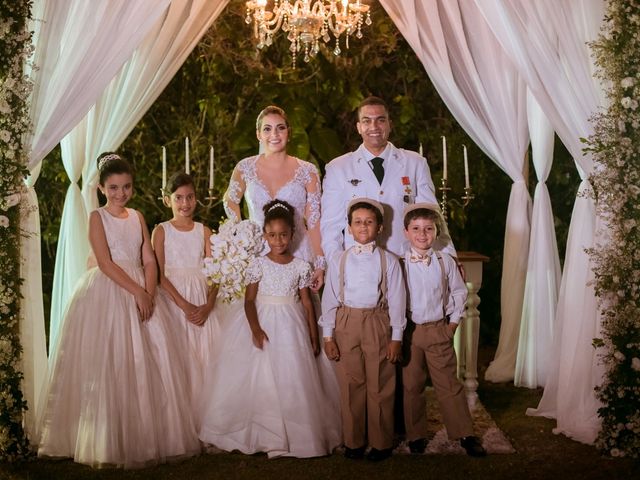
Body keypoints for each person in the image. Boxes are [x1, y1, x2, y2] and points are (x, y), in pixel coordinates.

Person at [37, 153, 199, 468]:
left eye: (126, 187)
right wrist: (137, 290)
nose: (120, 194)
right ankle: (105, 437)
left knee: (148, 361)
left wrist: (150, 292)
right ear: (101, 188)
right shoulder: (97, 217)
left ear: (132, 188)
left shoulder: (137, 216)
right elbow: (106, 262)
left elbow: (149, 259)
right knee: (111, 360)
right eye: (113, 188)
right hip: (111, 288)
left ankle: (151, 434)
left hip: (142, 287)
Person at [198, 200, 341, 458]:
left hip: (292, 325)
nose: (278, 241)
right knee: (260, 376)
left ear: (292, 235)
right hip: (263, 319)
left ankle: (297, 436)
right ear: (265, 235)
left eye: (283, 235)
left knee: (292, 375)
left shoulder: (301, 266)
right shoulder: (258, 265)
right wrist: (255, 329)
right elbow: (249, 300)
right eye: (272, 235)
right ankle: (260, 434)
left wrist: (313, 335)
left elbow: (308, 304)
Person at [320, 198, 406, 462]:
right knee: (351, 383)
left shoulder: (388, 261)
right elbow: (330, 298)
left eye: (369, 222)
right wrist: (328, 334)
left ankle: (381, 442)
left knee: (380, 382)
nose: (363, 226)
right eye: (357, 222)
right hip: (347, 322)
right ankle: (354, 441)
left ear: (380, 228)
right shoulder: (339, 259)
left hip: (377, 320)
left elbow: (398, 300)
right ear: (349, 227)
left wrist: (396, 338)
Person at [321, 96, 455, 258]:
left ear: (390, 124)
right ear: (358, 127)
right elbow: (331, 227)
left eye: (380, 120)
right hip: (358, 265)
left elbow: (432, 216)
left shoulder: (415, 163)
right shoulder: (338, 168)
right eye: (366, 121)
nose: (374, 126)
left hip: (405, 261)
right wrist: (337, 266)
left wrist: (449, 257)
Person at [401, 203, 486, 457]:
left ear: (437, 232)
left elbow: (459, 293)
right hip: (410, 332)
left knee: (449, 384)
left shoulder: (445, 261)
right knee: (412, 385)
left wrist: (452, 325)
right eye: (416, 228)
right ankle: (416, 436)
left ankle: (465, 434)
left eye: (428, 228)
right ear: (406, 232)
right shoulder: (399, 262)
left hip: (439, 329)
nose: (422, 234)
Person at [223, 105, 326, 290]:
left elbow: (314, 220)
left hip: (298, 251)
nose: (275, 134)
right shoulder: (244, 167)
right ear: (258, 135)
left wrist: (319, 261)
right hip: (257, 251)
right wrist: (242, 234)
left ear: (289, 132)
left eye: (281, 127)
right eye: (267, 129)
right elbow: (230, 201)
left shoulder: (307, 171)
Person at [152, 172, 219, 424]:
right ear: (168, 200)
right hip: (173, 300)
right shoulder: (161, 231)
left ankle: (206, 418)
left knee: (204, 357)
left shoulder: (204, 231)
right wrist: (184, 304)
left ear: (196, 199)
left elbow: (216, 272)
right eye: (178, 197)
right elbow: (158, 274)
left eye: (190, 197)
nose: (185, 203)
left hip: (202, 296)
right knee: (179, 356)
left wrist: (209, 304)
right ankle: (180, 420)